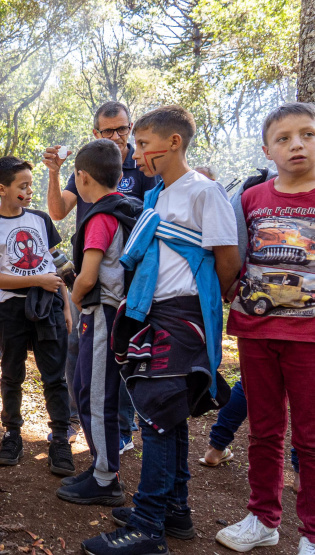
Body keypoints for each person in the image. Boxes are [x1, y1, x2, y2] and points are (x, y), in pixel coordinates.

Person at [82, 105, 240, 554]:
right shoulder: (158, 195)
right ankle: (176, 510)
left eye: (143, 144)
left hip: (183, 315)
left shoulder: (203, 192)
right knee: (167, 413)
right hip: (156, 310)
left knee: (154, 416)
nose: (137, 153)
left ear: (173, 143)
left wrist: (202, 304)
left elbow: (226, 259)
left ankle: (148, 526)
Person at [215, 102, 315, 554]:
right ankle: (262, 519)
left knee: (311, 438)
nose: (296, 144)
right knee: (264, 431)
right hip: (256, 332)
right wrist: (231, 291)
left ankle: (312, 533)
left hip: (310, 339)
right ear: (267, 150)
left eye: (307, 134)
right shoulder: (251, 198)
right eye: (284, 138)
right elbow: (231, 253)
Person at [45, 102, 159, 447]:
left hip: (131, 277)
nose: (117, 136)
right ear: (96, 133)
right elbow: (57, 210)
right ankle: (81, 417)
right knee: (76, 345)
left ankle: (121, 428)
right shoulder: (88, 165)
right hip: (87, 272)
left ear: (131, 126)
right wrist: (53, 172)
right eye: (108, 131)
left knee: (122, 348)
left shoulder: (142, 165)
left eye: (122, 129)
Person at [54, 140, 142, 506]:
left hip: (102, 313)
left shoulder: (101, 217)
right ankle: (100, 465)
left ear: (81, 177)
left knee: (95, 396)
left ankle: (106, 478)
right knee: (87, 388)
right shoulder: (124, 207)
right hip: (107, 312)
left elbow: (89, 277)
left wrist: (72, 302)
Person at [0, 155, 75, 475]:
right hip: (11, 310)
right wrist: (37, 280)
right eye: (23, 186)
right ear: (2, 189)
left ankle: (60, 439)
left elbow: (56, 264)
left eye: (31, 185)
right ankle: (12, 435)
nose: (29, 191)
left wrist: (67, 303)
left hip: (48, 306)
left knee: (54, 376)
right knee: (11, 374)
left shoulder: (41, 220)